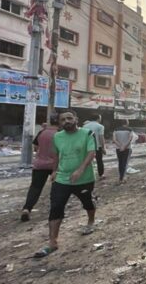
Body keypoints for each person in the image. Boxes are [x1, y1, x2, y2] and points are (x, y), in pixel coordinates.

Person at [34, 110, 96, 258]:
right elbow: (56, 155)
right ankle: (52, 242)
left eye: (69, 118)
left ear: (76, 119)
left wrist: (80, 169)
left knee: (87, 202)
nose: (67, 121)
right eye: (63, 120)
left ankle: (91, 221)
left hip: (84, 178)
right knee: (56, 206)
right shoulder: (57, 137)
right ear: (60, 123)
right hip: (62, 178)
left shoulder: (88, 134)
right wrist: (54, 171)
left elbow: (91, 153)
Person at [20, 113, 59, 222]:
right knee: (57, 189)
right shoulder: (60, 134)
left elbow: (36, 147)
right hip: (55, 165)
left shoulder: (42, 132)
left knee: (35, 188)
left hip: (39, 164)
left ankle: (27, 208)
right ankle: (55, 210)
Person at [83, 114, 105, 179]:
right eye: (100, 118)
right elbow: (101, 137)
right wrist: (103, 148)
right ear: (98, 118)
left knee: (87, 161)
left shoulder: (84, 126)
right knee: (99, 161)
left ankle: (87, 175)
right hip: (97, 146)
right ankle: (101, 175)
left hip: (87, 146)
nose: (100, 119)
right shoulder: (100, 126)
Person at [112, 120, 133, 184]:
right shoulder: (130, 130)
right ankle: (122, 178)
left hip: (118, 148)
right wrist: (124, 146)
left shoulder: (116, 130)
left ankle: (120, 177)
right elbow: (130, 139)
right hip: (127, 148)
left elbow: (114, 139)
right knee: (124, 162)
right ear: (127, 123)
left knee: (120, 163)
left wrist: (120, 146)